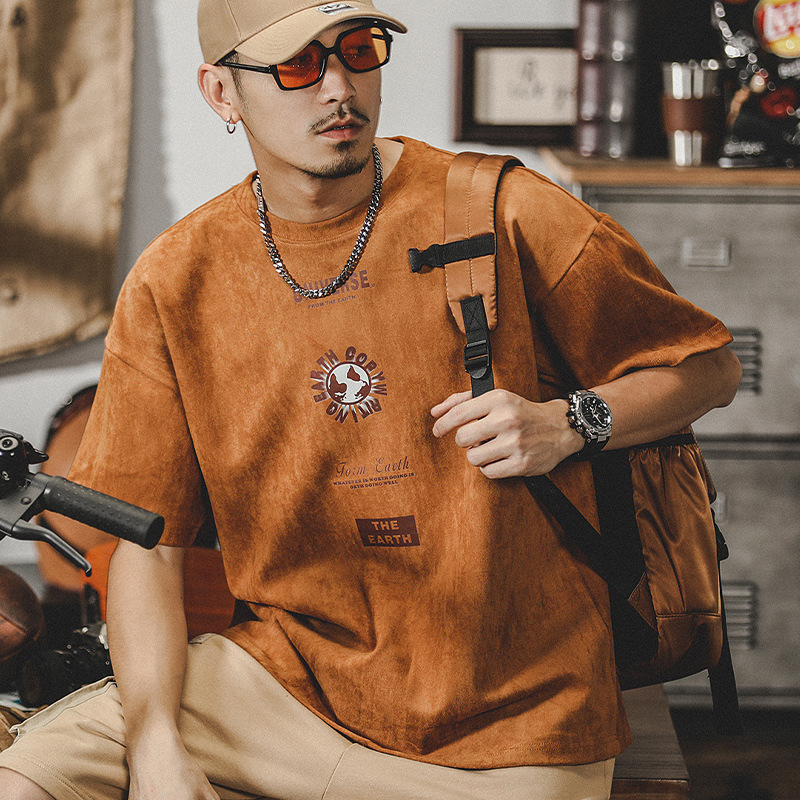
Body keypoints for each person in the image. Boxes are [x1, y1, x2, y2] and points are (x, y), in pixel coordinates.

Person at [0, 1, 742, 798]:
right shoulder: (176, 279)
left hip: (516, 718)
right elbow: (147, 545)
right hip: (280, 685)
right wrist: (155, 746)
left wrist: (569, 423)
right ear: (222, 93)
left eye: (358, 51)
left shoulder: (504, 210)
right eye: (297, 65)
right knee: (26, 775)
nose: (337, 88)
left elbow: (709, 367)